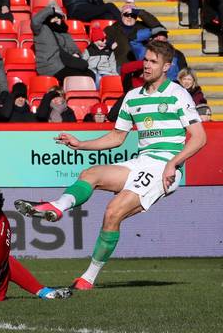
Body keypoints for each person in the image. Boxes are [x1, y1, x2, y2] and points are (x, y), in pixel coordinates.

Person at [16, 40, 207, 290]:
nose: (147, 66)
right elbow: (117, 138)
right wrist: (80, 144)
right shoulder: (132, 97)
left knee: (113, 211)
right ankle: (58, 207)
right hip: (142, 161)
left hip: (163, 168)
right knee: (90, 173)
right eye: (146, 60)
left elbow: (200, 137)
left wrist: (174, 163)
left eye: (153, 62)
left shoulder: (177, 94)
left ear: (167, 67)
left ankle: (88, 278)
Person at [32, 2, 92, 83]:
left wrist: (76, 53)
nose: (57, 19)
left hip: (65, 64)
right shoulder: (41, 29)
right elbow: (35, 21)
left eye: (59, 17)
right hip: (50, 67)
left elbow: (73, 47)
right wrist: (51, 10)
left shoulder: (63, 31)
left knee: (90, 74)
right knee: (79, 77)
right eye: (54, 17)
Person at [104, 0, 161, 69]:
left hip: (142, 66)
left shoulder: (142, 27)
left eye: (132, 15)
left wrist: (138, 12)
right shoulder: (112, 29)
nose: (129, 17)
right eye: (126, 14)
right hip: (121, 66)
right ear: (121, 15)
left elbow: (157, 26)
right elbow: (103, 40)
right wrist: (109, 43)